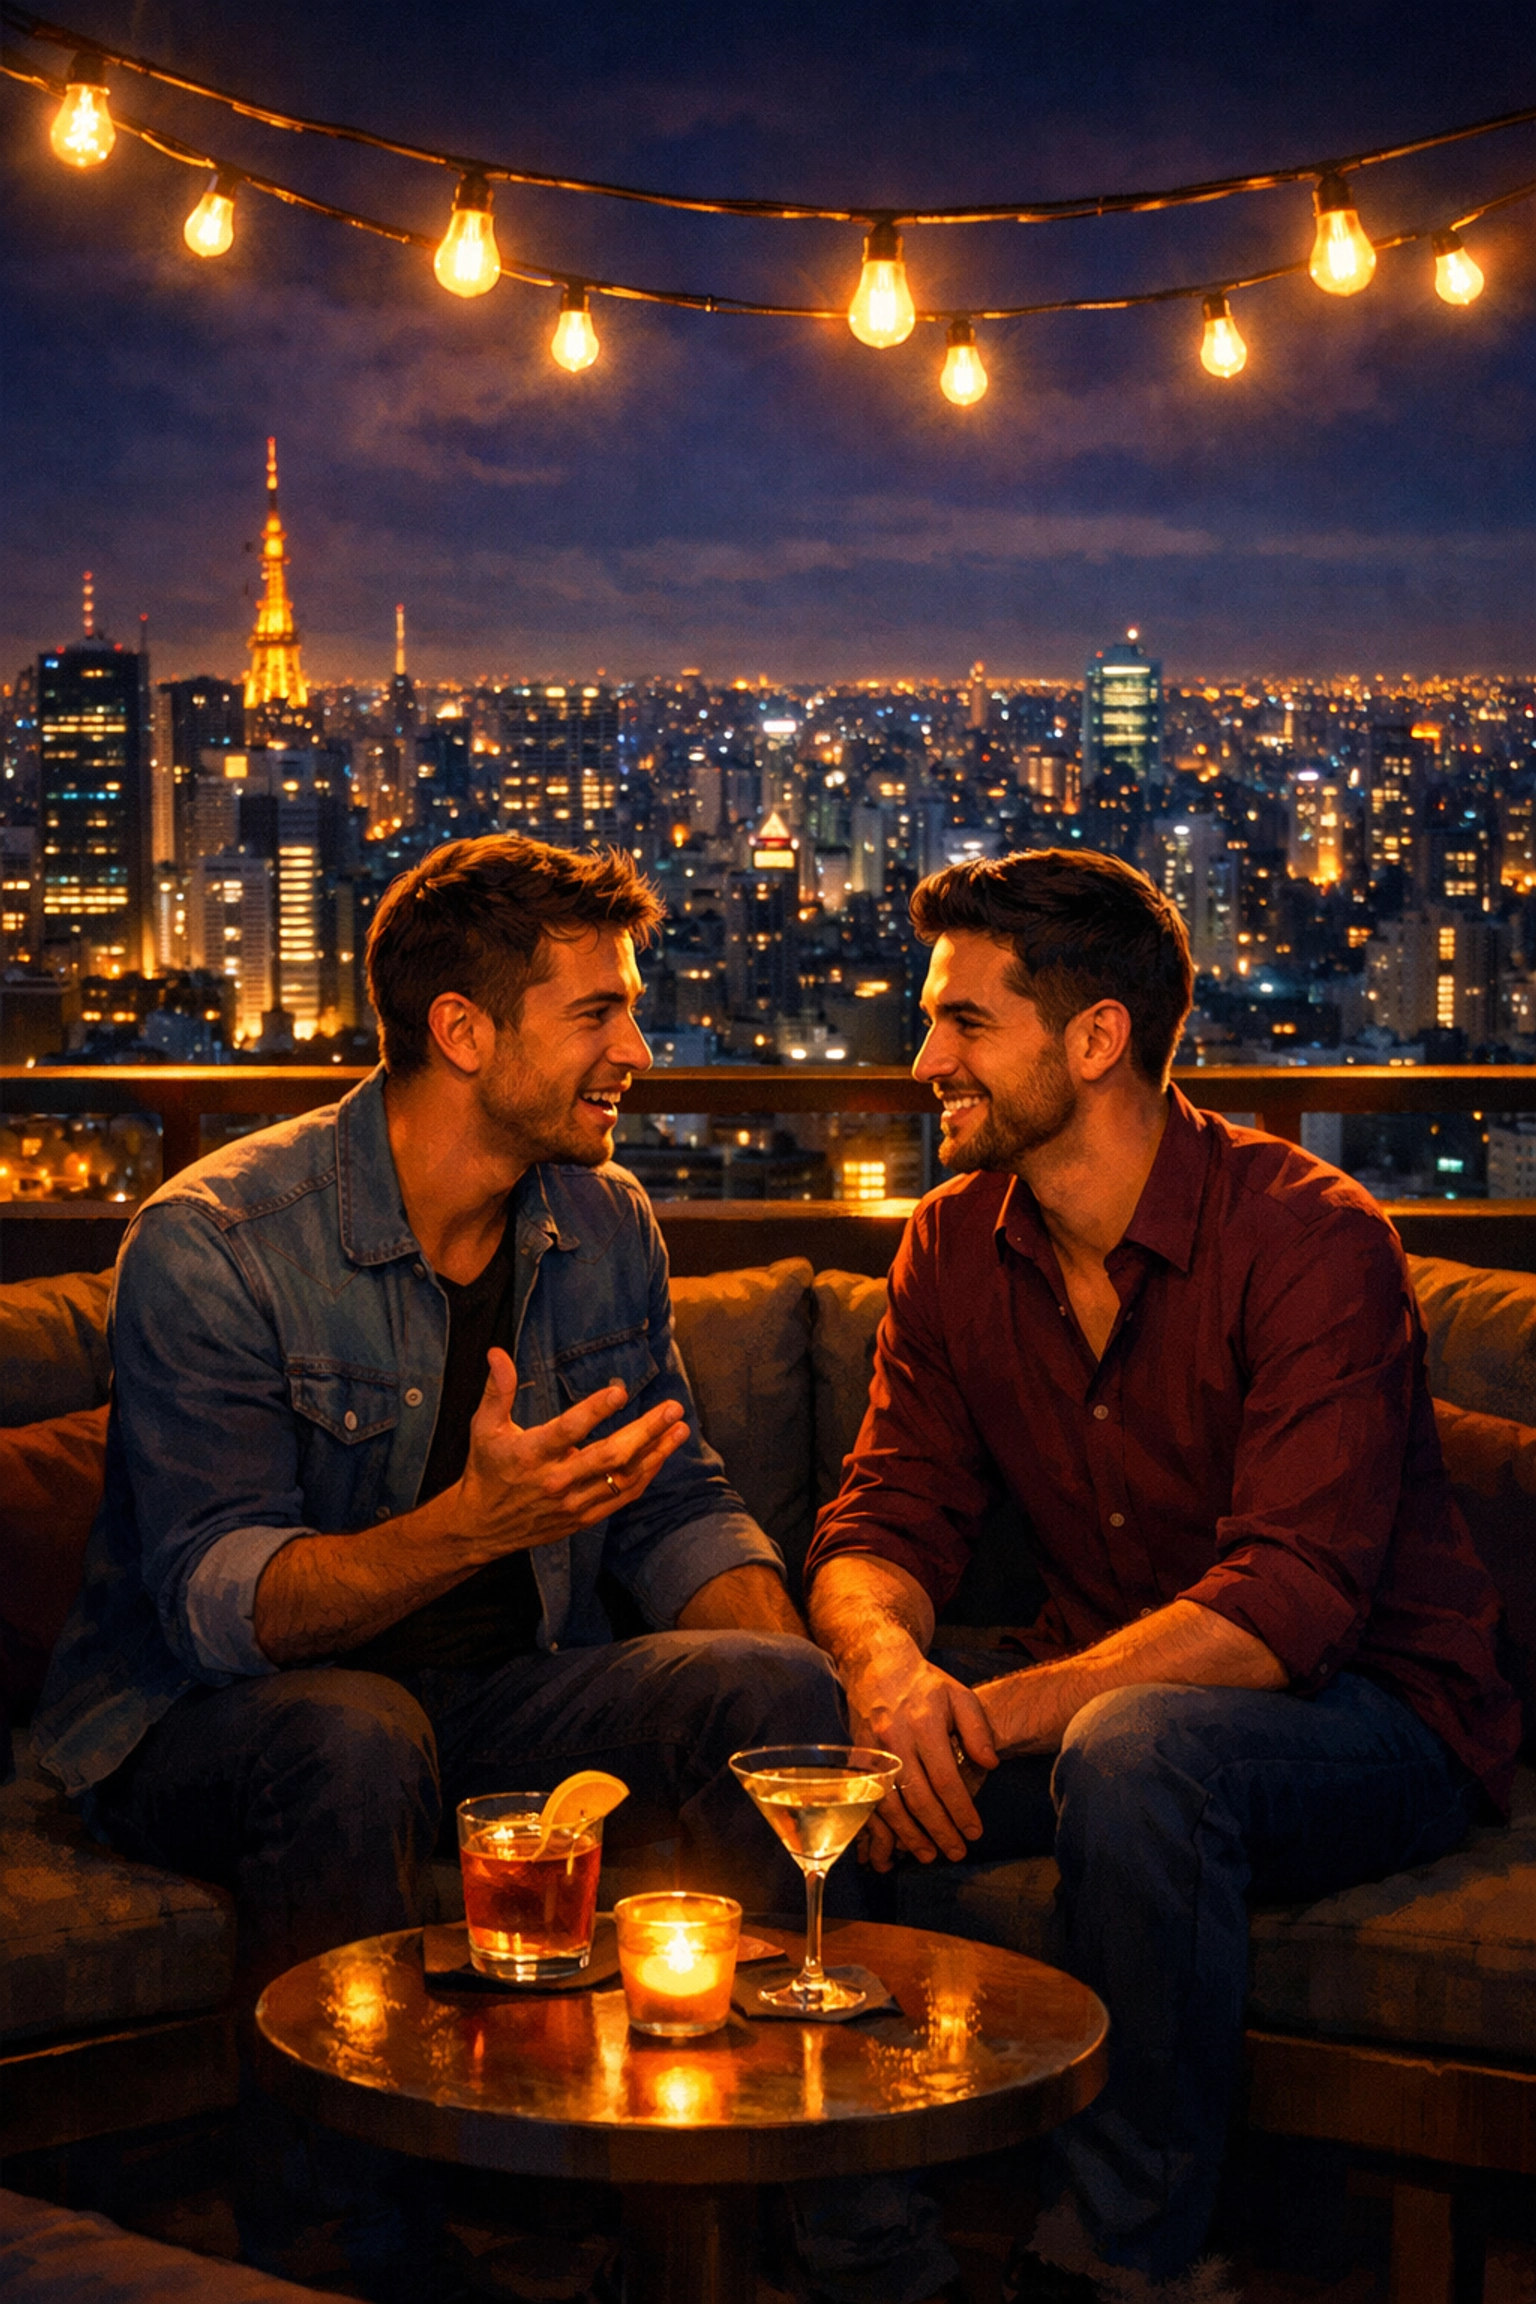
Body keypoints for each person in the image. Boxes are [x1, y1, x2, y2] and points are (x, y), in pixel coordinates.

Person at [35, 832, 959, 2304]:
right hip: (209, 1729)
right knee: (350, 1731)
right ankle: (351, 2255)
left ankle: (811, 2229)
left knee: (762, 1679)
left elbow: (674, 1511)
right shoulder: (216, 1242)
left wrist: (818, 1692)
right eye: (598, 1015)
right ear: (464, 1033)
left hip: (493, 1707)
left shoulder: (602, 1224)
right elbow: (222, 1606)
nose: (637, 1051)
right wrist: (470, 1525)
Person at [805, 847, 1520, 2304]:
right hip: (1130, 1698)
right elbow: (885, 1519)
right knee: (819, 1767)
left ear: (1095, 1039)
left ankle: (1115, 2265)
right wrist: (889, 1675)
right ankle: (867, 2254)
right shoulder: (951, 1245)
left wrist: (996, 1716)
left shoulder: (1312, 1238)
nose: (924, 1055)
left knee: (1135, 1752)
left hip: (1381, 1716)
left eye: (963, 1022)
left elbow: (1293, 1601)